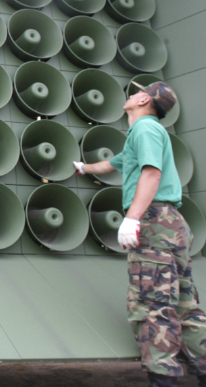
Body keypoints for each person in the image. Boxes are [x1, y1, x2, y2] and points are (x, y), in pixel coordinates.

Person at [74, 82, 206, 387]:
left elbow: (151, 173)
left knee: (151, 302)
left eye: (135, 92)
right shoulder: (144, 133)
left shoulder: (145, 129)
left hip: (153, 221)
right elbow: (112, 164)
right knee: (185, 302)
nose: (130, 95)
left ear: (145, 99)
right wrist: (84, 167)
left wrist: (132, 219)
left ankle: (163, 377)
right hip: (172, 224)